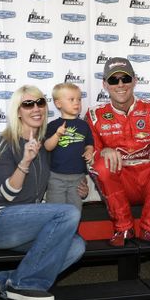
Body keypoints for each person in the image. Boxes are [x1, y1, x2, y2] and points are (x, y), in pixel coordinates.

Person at [0, 85, 87, 300]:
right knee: (68, 213)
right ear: (18, 111)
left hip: (26, 228)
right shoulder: (4, 143)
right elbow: (7, 194)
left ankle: (7, 281)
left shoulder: (46, 145)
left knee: (77, 246)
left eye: (40, 103)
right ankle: (24, 284)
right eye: (28, 104)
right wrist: (25, 161)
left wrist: (80, 187)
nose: (36, 108)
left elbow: (57, 179)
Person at [85, 57, 150, 248]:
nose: (121, 85)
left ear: (135, 80)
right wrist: (103, 150)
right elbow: (88, 156)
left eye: (125, 79)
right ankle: (123, 228)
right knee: (99, 163)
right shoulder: (94, 116)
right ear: (105, 85)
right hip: (121, 183)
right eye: (114, 80)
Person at [44, 83, 94, 211]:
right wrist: (57, 135)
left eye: (79, 99)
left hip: (78, 177)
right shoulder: (53, 125)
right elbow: (47, 146)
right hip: (56, 177)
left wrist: (89, 151)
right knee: (55, 210)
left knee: (75, 210)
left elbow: (89, 144)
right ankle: (57, 231)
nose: (76, 103)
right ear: (58, 104)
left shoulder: (84, 125)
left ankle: (71, 231)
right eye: (71, 99)